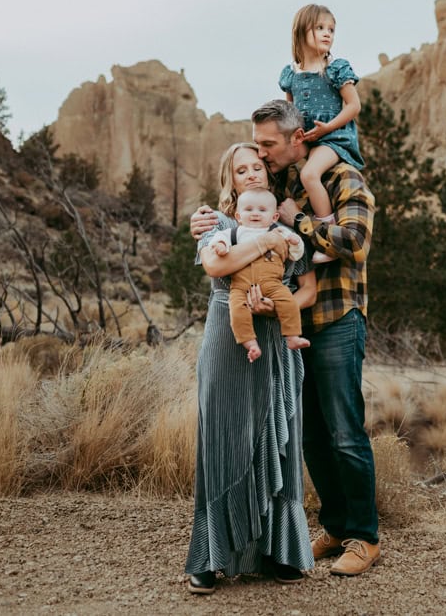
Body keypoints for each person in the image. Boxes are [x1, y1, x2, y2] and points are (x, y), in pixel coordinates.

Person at [190, 99, 379, 577]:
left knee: (343, 430)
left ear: (298, 139)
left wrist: (297, 222)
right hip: (289, 332)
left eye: (267, 147)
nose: (261, 158)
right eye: (254, 153)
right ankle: (335, 527)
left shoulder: (343, 180)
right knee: (310, 433)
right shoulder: (278, 190)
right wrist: (211, 223)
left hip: (336, 319)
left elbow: (354, 241)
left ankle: (363, 536)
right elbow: (237, 233)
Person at [184, 142, 316, 595]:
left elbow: (308, 292)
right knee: (223, 437)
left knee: (273, 440)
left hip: (275, 339)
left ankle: (278, 552)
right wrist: (262, 241)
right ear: (231, 181)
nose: (251, 175)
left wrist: (275, 311)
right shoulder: (218, 224)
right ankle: (208, 556)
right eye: (241, 171)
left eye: (257, 167)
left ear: (267, 172)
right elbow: (213, 263)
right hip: (226, 337)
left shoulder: (289, 225)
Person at [279, 3, 364, 263]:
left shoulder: (335, 68)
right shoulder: (291, 74)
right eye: (320, 28)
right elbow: (290, 113)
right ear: (302, 32)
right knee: (284, 169)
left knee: (309, 174)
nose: (327, 33)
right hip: (309, 139)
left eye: (331, 29)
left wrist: (329, 127)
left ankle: (327, 236)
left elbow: (354, 105)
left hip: (334, 138)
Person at [208, 187, 310, 362]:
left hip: (272, 283)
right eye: (249, 210)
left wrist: (295, 242)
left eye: (262, 210)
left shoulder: (280, 233)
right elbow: (218, 238)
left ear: (274, 217)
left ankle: (292, 336)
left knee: (288, 302)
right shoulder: (234, 233)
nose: (255, 214)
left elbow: (295, 253)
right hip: (240, 285)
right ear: (238, 216)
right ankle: (250, 343)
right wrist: (221, 246)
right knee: (237, 311)